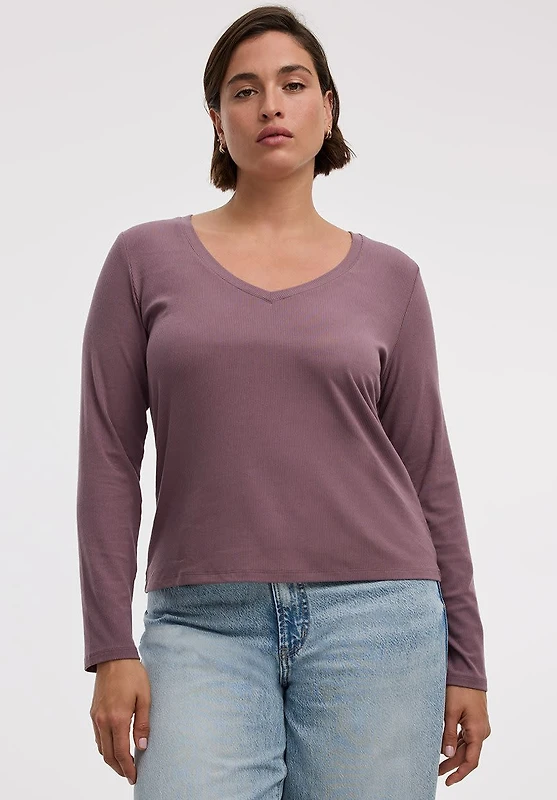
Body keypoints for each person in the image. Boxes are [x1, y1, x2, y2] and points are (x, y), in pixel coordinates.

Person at [76, 5, 491, 798]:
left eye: (293, 85)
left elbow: (429, 470)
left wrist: (467, 659)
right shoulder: (142, 260)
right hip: (200, 625)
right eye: (245, 90)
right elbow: (107, 456)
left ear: (327, 108)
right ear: (216, 119)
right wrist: (109, 645)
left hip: (381, 621)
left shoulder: (393, 280)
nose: (271, 105)